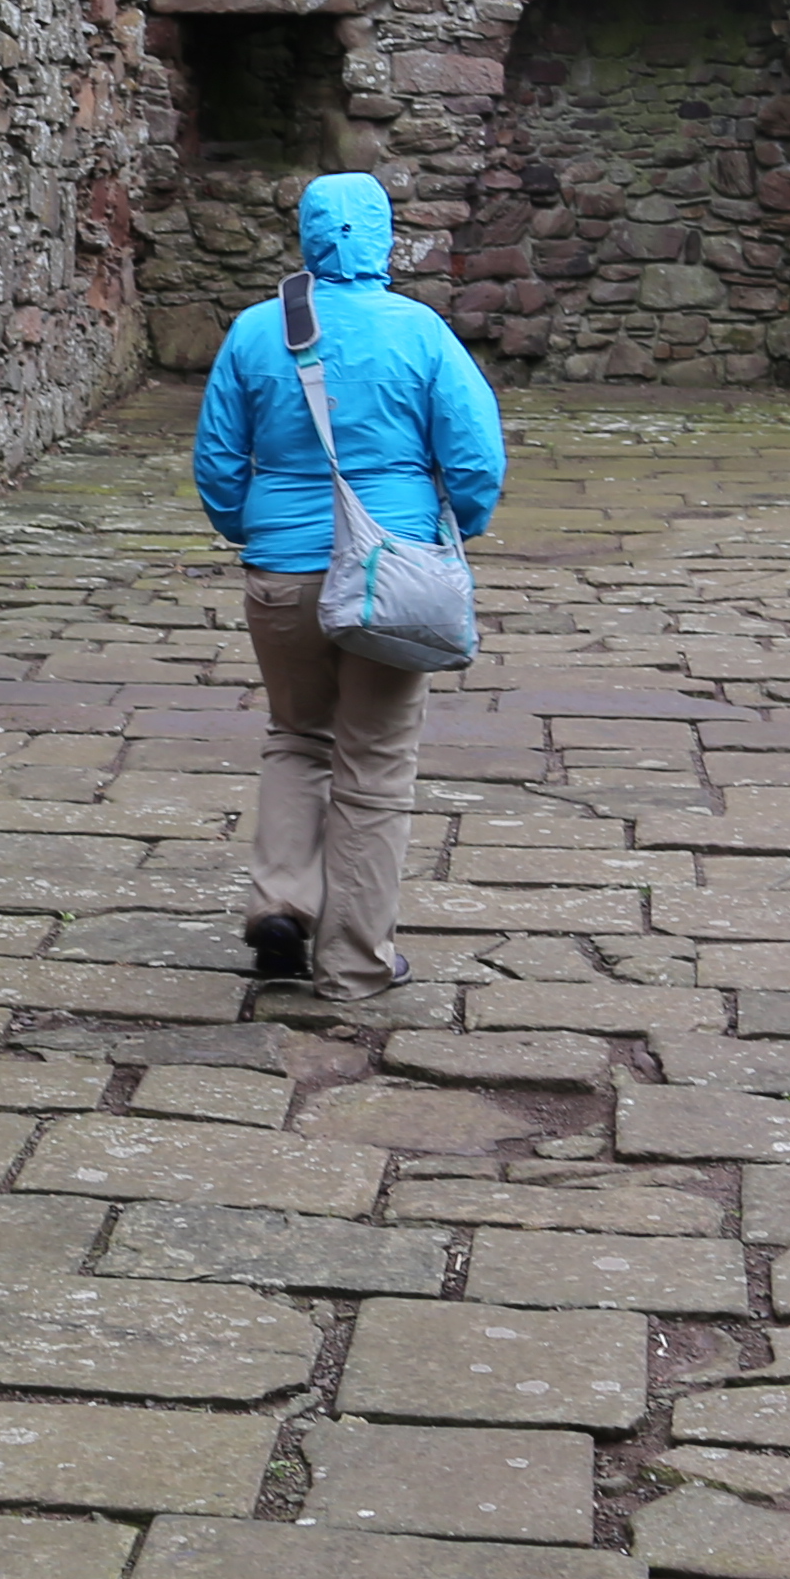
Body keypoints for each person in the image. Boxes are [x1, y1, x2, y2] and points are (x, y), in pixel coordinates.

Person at [195, 172, 508, 990]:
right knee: (374, 763)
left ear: (305, 238)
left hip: (282, 575)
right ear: (384, 238)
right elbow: (476, 458)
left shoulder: (258, 332)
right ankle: (355, 960)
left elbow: (218, 464)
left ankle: (281, 905)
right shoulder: (422, 332)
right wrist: (453, 529)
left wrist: (251, 531)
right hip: (390, 572)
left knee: (298, 736)